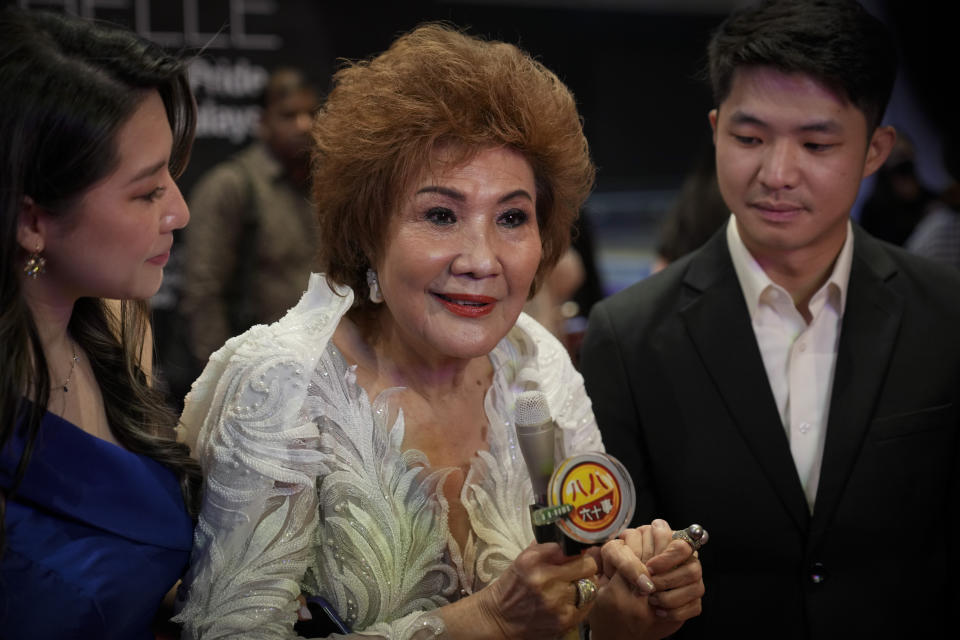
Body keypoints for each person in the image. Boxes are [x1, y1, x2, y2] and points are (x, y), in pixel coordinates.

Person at [174, 23, 705, 639]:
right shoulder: (281, 385)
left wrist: (623, 611)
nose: (481, 258)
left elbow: (577, 599)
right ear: (367, 231)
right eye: (440, 215)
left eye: (512, 216)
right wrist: (484, 621)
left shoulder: (540, 366)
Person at [579, 0, 960, 637]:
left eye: (816, 143)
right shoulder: (630, 334)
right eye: (749, 138)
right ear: (715, 128)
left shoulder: (945, 312)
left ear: (875, 150)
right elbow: (619, 560)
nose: (776, 174)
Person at [0, 7, 201, 639]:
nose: (180, 211)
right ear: (32, 220)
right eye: (147, 193)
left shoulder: (115, 323)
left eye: (172, 175)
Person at [181, 67, 321, 365]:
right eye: (288, 115)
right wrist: (222, 377)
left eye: (311, 113)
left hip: (322, 366)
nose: (304, 125)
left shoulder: (328, 188)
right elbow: (203, 294)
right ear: (263, 122)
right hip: (254, 368)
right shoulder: (230, 186)